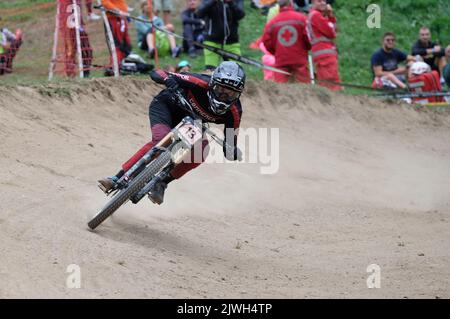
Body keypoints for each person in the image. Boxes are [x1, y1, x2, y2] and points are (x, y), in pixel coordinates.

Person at [98, 61, 245, 205]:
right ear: (212, 84)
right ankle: (117, 178)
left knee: (202, 151)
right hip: (166, 106)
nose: (224, 96)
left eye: (230, 93)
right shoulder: (199, 82)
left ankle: (162, 182)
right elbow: (157, 73)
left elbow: (230, 146)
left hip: (193, 123)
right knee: (162, 140)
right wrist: (169, 80)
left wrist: (232, 150)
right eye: (221, 89)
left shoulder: (234, 113)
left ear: (238, 94)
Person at [262, 0, 311, 84]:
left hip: (281, 62)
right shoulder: (301, 18)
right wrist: (305, 49)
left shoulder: (272, 22)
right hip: (299, 61)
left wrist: (276, 52)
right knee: (304, 90)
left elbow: (266, 41)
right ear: (291, 3)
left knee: (281, 91)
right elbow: (308, 39)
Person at [196, 0, 245, 71]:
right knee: (210, 72)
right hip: (211, 42)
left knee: (237, 71)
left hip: (232, 43)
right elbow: (199, 13)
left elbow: (240, 15)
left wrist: (231, 3)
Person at [307, 0, 341, 91]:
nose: (322, 3)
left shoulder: (314, 15)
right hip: (325, 54)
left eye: (324, 1)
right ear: (313, 2)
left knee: (324, 83)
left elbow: (334, 31)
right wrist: (330, 16)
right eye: (319, 1)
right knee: (332, 84)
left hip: (321, 54)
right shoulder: (316, 15)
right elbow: (332, 32)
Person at [101, 0, 132, 66]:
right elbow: (105, 2)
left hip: (122, 19)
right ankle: (116, 65)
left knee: (125, 42)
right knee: (116, 43)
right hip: (113, 19)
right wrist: (118, 11)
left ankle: (125, 62)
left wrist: (124, 11)